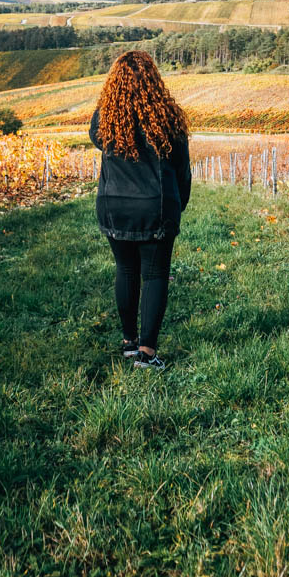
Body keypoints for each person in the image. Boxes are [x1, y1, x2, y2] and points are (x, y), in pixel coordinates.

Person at [88, 50, 191, 371]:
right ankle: (147, 353)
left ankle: (129, 342)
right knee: (155, 274)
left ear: (113, 82)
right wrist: (178, 208)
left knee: (126, 270)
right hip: (155, 207)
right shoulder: (168, 118)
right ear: (154, 80)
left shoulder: (104, 118)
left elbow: (98, 141)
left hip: (112, 206)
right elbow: (181, 170)